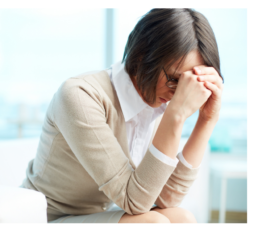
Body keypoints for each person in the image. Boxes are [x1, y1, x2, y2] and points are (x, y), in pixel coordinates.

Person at [20, 8, 224, 223]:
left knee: (183, 218)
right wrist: (176, 116)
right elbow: (134, 200)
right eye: (175, 79)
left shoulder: (158, 104)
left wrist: (207, 120)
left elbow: (167, 199)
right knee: (153, 224)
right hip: (45, 218)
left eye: (189, 83)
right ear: (142, 56)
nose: (179, 93)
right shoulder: (80, 95)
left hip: (98, 215)